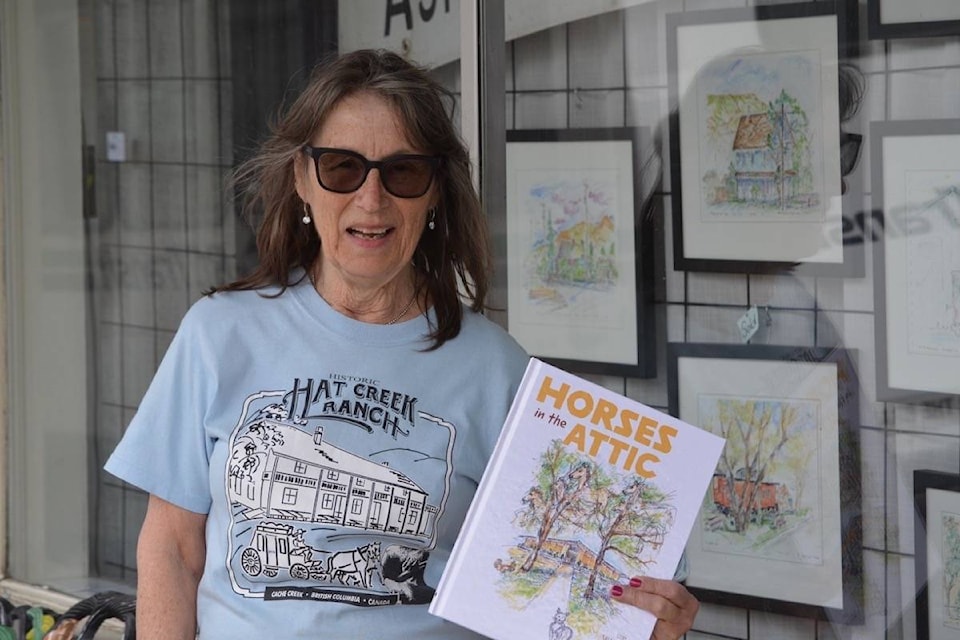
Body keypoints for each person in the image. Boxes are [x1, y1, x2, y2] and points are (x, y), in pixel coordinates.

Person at [104, 48, 699, 640]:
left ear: (435, 191)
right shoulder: (217, 334)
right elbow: (172, 550)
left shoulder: (497, 370)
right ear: (302, 178)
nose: (371, 199)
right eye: (342, 167)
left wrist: (631, 620)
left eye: (403, 171)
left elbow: (544, 589)